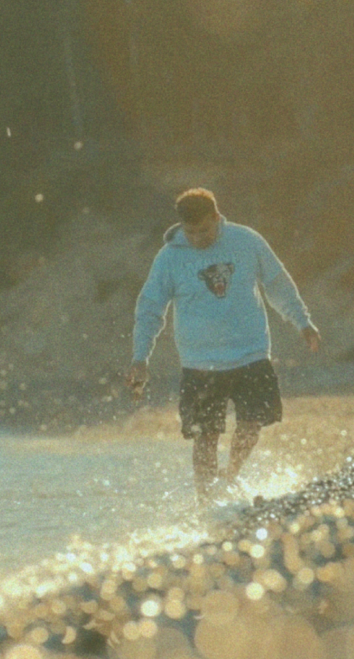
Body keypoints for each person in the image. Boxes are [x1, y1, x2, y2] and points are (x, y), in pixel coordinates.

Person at [127, 187, 320, 503]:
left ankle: (230, 476)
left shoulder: (246, 241)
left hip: (251, 351)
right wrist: (140, 357)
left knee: (252, 421)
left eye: (204, 230)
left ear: (217, 218)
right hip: (200, 362)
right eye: (191, 232)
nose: (198, 238)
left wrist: (302, 322)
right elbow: (150, 308)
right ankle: (206, 502)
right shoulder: (170, 257)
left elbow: (277, 283)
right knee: (205, 435)